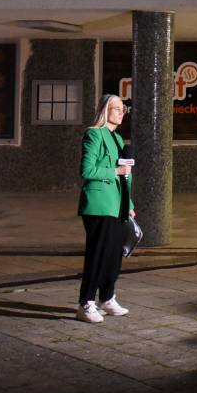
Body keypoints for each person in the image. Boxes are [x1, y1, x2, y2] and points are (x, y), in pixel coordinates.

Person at [75, 94, 135, 324]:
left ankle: (107, 298)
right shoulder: (94, 134)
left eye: (123, 109)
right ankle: (85, 303)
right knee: (98, 255)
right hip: (99, 205)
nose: (121, 112)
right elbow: (87, 171)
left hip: (118, 205)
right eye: (116, 108)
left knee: (114, 256)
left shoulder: (118, 140)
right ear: (104, 110)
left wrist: (129, 205)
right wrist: (115, 172)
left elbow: (126, 176)